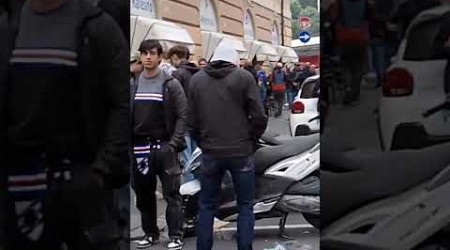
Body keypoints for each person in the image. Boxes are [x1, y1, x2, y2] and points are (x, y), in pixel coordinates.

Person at [1, 0, 130, 249]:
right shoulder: (9, 26)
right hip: (18, 188)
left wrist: (100, 171)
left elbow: (120, 104)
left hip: (79, 185)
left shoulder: (97, 27)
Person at [187, 43, 268, 250]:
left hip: (210, 153)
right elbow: (259, 116)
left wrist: (203, 143)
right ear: (234, 59)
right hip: (240, 151)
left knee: (206, 206)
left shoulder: (197, 80)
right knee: (245, 206)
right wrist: (250, 139)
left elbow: (191, 122)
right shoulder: (244, 78)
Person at [130, 40, 186, 250]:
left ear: (160, 56)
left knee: (172, 193)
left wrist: (174, 143)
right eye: (144, 53)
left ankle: (176, 235)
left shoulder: (170, 84)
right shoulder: (134, 83)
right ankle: (150, 233)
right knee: (144, 195)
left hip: (164, 146)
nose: (148, 57)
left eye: (152, 53)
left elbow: (183, 115)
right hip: (140, 148)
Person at [167, 45, 200, 174]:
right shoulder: (198, 73)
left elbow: (173, 101)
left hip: (183, 122)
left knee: (186, 159)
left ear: (175, 57)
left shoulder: (177, 74)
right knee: (197, 158)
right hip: (198, 121)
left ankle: (189, 190)